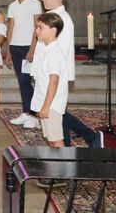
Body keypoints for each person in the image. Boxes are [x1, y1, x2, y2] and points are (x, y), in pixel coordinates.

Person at [32, 0, 104, 148]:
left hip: (54, 74)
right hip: (46, 72)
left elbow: (59, 52)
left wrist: (46, 73)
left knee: (55, 112)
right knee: (57, 114)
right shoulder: (50, 18)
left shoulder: (62, 20)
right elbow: (43, 47)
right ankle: (69, 146)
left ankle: (84, 140)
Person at [6, 0, 42, 129]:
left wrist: (33, 49)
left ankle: (32, 114)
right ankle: (27, 113)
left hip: (28, 47)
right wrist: (7, 49)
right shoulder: (12, 6)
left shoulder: (34, 4)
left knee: (25, 80)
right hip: (15, 47)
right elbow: (11, 27)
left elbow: (37, 27)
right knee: (22, 82)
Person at [30, 13, 68, 148]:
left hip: (52, 105)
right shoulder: (47, 50)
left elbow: (53, 82)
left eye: (40, 27)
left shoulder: (54, 53)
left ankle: (64, 166)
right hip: (46, 103)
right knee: (50, 139)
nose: (37, 30)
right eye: (36, 27)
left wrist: (46, 107)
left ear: (53, 31)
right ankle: (56, 165)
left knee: (56, 140)